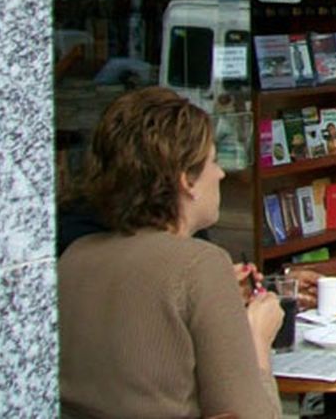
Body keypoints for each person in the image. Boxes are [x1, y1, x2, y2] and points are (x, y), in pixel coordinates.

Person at [59, 88, 284, 419]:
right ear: (186, 181)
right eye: (214, 161)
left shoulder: (73, 258)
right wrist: (257, 342)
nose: (222, 174)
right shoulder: (200, 265)